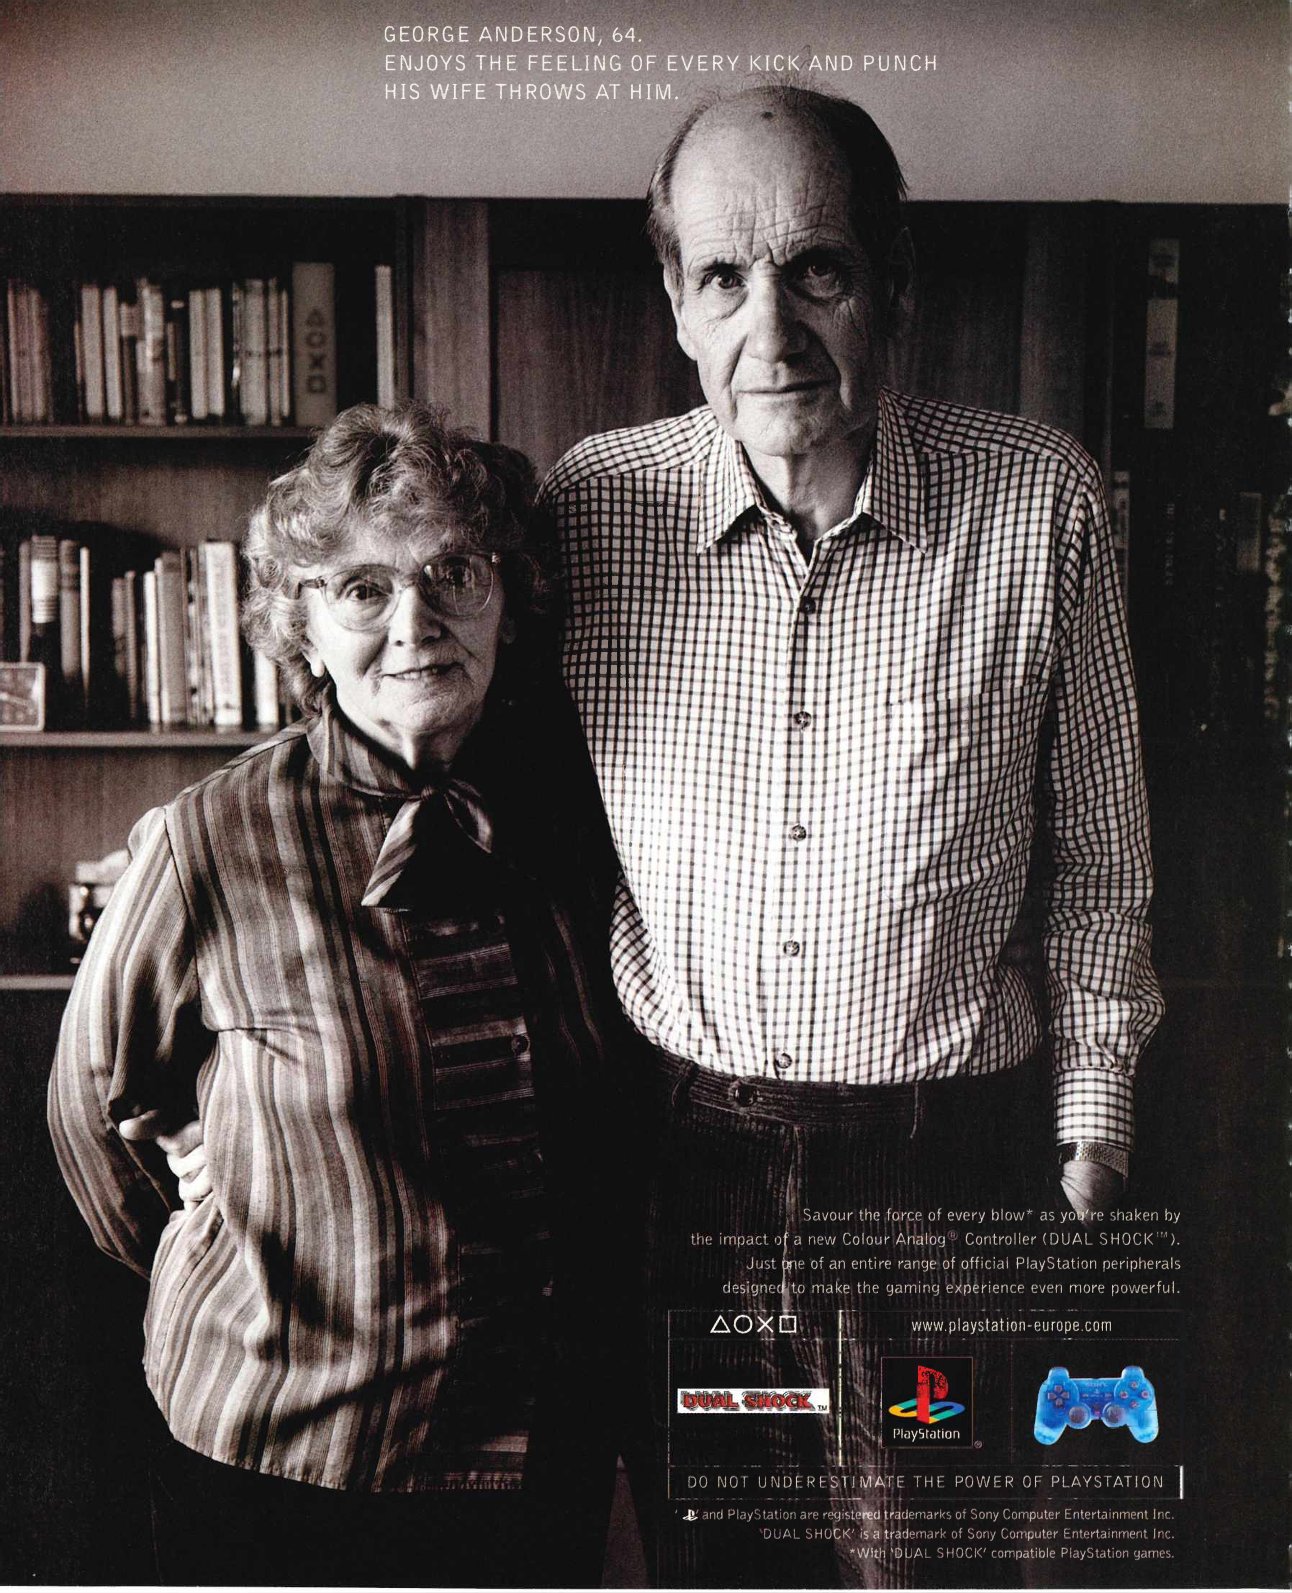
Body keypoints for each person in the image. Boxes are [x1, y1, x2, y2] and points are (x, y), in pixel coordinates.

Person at [540, 84, 1164, 1587]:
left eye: (816, 268)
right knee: (723, 1565)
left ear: (893, 281)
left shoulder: (1041, 503)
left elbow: (1103, 866)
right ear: (676, 305)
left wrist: (1090, 1140)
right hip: (685, 1173)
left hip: (943, 1177)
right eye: (722, 277)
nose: (770, 329)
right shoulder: (591, 510)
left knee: (932, 1568)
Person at [47, 404, 620, 1588]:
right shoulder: (209, 838)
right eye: (362, 588)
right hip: (282, 1455)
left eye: (452, 574)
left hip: (535, 1448)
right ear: (301, 623)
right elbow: (93, 1118)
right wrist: (234, 1252)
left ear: (508, 601)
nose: (414, 623)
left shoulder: (584, 812)